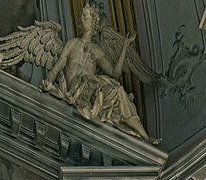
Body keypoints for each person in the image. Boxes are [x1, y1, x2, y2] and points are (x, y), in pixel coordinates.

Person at [42, 4, 150, 141]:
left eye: (85, 16)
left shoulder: (97, 51)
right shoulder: (72, 44)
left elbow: (114, 73)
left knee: (119, 92)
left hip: (91, 88)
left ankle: (145, 137)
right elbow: (58, 67)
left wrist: (124, 48)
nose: (82, 19)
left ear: (93, 21)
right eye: (81, 16)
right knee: (94, 85)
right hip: (76, 89)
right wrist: (49, 81)